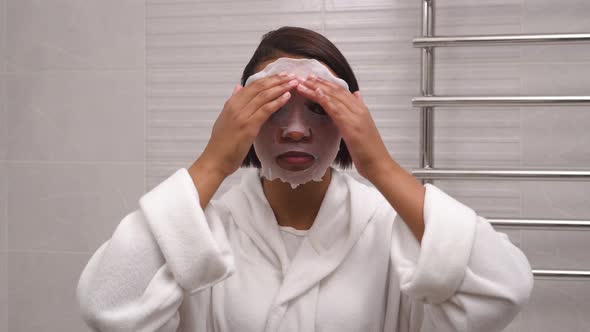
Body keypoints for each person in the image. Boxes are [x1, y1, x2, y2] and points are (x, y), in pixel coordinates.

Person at [76, 26, 534, 332]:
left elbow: (505, 289)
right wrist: (213, 163)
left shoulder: (387, 228)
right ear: (244, 116)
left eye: (320, 107)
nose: (296, 129)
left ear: (349, 117)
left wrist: (381, 167)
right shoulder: (203, 230)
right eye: (273, 107)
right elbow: (107, 307)